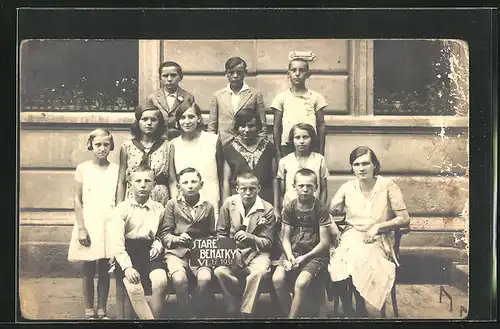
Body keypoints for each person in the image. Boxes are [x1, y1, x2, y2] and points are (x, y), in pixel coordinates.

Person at [328, 146, 411, 316]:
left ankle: (360, 306)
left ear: (375, 165)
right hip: (352, 234)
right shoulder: (347, 187)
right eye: (356, 164)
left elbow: (404, 218)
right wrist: (334, 228)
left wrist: (379, 226)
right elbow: (328, 213)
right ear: (352, 167)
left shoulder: (387, 185)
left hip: (379, 237)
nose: (361, 168)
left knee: (363, 257)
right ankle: (349, 305)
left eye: (366, 163)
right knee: (338, 259)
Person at [68, 128, 119, 320]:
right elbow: (77, 199)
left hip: (108, 222)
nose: (102, 148)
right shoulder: (83, 168)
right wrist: (81, 228)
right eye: (98, 144)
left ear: (111, 146)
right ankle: (89, 310)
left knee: (105, 269)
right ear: (90, 145)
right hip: (89, 222)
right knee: (89, 269)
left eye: (106, 144)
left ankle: (102, 310)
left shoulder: (116, 170)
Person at [271, 168, 334, 318]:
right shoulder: (290, 208)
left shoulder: (321, 209)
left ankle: (292, 320)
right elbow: (285, 238)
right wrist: (290, 255)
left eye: (309, 186)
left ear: (316, 188)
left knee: (301, 283)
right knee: (277, 279)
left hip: (315, 255)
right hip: (293, 252)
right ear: (294, 187)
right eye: (301, 186)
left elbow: (324, 243)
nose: (305, 189)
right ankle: (291, 313)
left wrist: (304, 257)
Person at [109, 167, 169, 319]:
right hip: (128, 253)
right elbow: (117, 242)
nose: (143, 185)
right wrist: (127, 267)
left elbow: (162, 234)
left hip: (150, 253)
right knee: (135, 289)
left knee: (160, 281)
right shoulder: (122, 209)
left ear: (154, 184)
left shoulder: (159, 209)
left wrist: (158, 245)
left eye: (147, 181)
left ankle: (154, 318)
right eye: (138, 181)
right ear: (130, 184)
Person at [214, 172, 276, 318]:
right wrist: (229, 250)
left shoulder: (267, 209)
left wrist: (251, 237)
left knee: (259, 272)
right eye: (244, 189)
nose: (248, 193)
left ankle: (246, 311)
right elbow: (221, 233)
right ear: (237, 189)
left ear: (259, 188)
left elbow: (268, 242)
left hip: (257, 252)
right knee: (220, 271)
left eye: (252, 189)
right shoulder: (230, 204)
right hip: (233, 249)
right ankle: (231, 303)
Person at [156, 167, 216, 318]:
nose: (190, 185)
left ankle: (195, 307)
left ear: (201, 184)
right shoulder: (172, 204)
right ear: (178, 186)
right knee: (179, 279)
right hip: (177, 252)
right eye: (185, 182)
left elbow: (211, 234)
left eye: (194, 182)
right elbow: (165, 234)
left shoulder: (208, 206)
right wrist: (177, 239)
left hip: (200, 252)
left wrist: (205, 243)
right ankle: (186, 312)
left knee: (205, 279)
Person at [171, 102, 224, 221]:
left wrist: (223, 203)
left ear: (199, 119)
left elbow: (222, 175)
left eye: (191, 117)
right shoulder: (173, 145)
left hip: (210, 197)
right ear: (177, 121)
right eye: (183, 118)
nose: (187, 121)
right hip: (184, 201)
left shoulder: (212, 140)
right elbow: (173, 179)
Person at [116, 105, 177, 207]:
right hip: (134, 197)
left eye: (153, 120)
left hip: (159, 198)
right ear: (138, 122)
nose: (149, 123)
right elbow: (121, 181)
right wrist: (119, 207)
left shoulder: (167, 146)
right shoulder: (127, 146)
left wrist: (175, 207)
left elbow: (172, 180)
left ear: (159, 123)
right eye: (144, 119)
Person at [221, 108, 279, 208]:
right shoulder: (229, 149)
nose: (246, 130)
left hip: (265, 200)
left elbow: (274, 179)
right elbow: (226, 181)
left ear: (258, 127)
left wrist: (276, 207)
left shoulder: (269, 147)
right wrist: (226, 207)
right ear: (237, 127)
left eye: (251, 126)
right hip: (239, 201)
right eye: (242, 126)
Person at [271, 57, 327, 158]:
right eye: (293, 70)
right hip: (287, 146)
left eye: (301, 70)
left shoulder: (316, 97)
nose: (297, 74)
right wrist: (278, 151)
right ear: (288, 74)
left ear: (308, 74)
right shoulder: (281, 98)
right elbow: (277, 127)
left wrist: (321, 150)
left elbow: (321, 126)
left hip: (310, 145)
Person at [208, 56, 268, 146]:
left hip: (248, 144)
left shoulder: (255, 94)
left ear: (245, 73)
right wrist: (211, 145)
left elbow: (262, 125)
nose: (235, 76)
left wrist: (261, 145)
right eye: (231, 72)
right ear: (226, 74)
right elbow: (212, 125)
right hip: (224, 144)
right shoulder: (218, 95)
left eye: (239, 72)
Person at [277, 123, 329, 211]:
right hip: (291, 211)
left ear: (311, 139)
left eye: (305, 137)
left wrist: (321, 208)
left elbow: (324, 188)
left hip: (313, 210)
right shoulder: (285, 161)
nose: (301, 141)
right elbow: (281, 192)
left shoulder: (319, 159)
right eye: (297, 138)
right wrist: (285, 209)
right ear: (292, 140)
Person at [146, 61, 196, 140]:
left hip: (181, 139)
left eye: (173, 75)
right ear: (160, 78)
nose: (169, 79)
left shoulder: (188, 97)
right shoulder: (152, 98)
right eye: (165, 76)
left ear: (180, 77)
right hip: (158, 140)